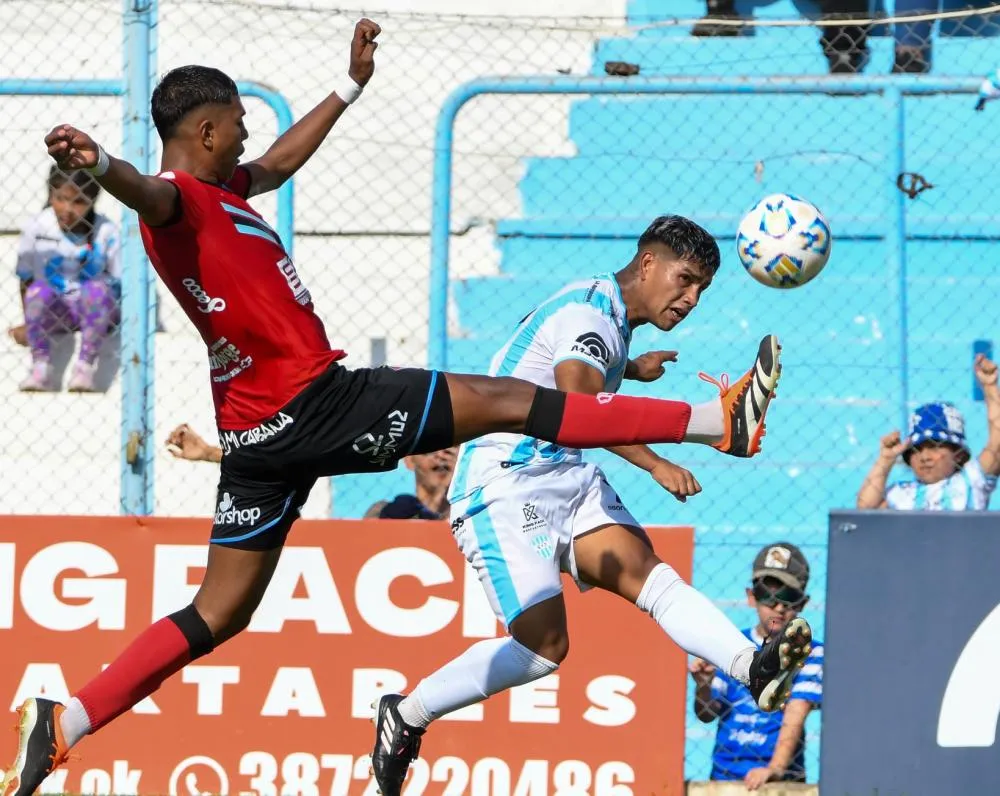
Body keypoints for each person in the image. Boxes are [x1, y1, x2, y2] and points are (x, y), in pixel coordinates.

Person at [3, 21, 786, 796]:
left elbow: (280, 162)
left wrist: (349, 86)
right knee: (515, 401)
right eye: (237, 122)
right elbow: (145, 191)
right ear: (204, 131)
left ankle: (65, 722)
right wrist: (100, 164)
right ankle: (718, 422)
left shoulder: (223, 190)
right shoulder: (175, 199)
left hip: (255, 435)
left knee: (218, 612)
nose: (247, 135)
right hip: (319, 400)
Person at [366, 221, 812, 796]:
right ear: (647, 264)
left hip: (565, 474)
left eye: (702, 288)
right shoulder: (589, 314)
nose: (691, 298)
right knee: (543, 650)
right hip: (505, 485)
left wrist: (631, 368)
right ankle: (406, 714)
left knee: (652, 579)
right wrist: (655, 463)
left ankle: (751, 668)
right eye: (685, 279)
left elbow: (571, 379)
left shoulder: (608, 318)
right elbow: (579, 409)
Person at [689, 542, 823, 791]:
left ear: (803, 603)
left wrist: (775, 769)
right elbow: (706, 714)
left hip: (783, 781)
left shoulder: (811, 652)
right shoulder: (730, 642)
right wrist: (703, 687)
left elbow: (797, 712)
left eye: (789, 597)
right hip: (724, 775)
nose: (779, 606)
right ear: (751, 597)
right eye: (768, 595)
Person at [165, 424, 454, 519]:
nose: (442, 455)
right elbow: (295, 462)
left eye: (452, 449)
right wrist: (210, 453)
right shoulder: (387, 514)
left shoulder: (471, 516)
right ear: (409, 460)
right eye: (433, 449)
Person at [12, 166, 120, 392]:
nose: (67, 209)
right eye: (60, 199)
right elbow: (25, 280)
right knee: (38, 291)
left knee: (96, 290)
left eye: (79, 201)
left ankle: (84, 368)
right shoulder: (37, 226)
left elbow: (119, 283)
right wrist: (29, 324)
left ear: (92, 200)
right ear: (50, 194)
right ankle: (40, 367)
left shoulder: (106, 231)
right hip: (57, 312)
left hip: (96, 312)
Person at [857, 354, 1000, 510]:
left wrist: (990, 387)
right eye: (916, 450)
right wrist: (885, 459)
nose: (924, 457)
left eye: (934, 447)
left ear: (958, 454)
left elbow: (997, 444)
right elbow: (865, 509)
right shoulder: (901, 493)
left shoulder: (971, 481)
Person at [364, 447, 457, 520]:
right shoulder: (388, 513)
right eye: (430, 450)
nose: (440, 455)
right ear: (409, 461)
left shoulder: (464, 512)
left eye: (449, 450)